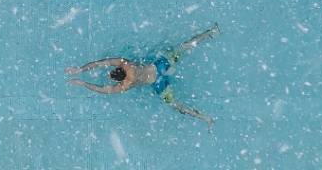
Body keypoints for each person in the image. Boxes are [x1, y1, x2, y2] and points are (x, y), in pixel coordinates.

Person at [65, 24, 220, 128]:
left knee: (176, 105)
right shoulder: (125, 63)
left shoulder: (126, 85)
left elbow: (103, 90)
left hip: (158, 83)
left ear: (118, 79)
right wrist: (80, 69)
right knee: (183, 47)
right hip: (159, 65)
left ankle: (205, 118)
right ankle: (210, 33)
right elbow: (101, 63)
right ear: (118, 69)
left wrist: (82, 83)